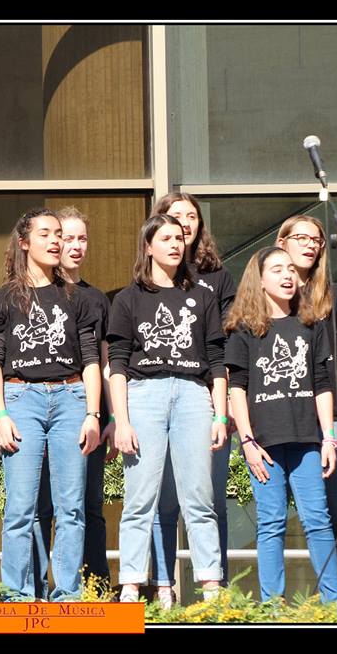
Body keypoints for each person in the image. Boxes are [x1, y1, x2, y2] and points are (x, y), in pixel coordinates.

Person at [0, 207, 102, 601]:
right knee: (20, 507)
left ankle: (67, 594)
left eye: (58, 234)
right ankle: (17, 594)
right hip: (20, 399)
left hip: (71, 398)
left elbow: (91, 360)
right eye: (46, 234)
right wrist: (0, 414)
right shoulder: (3, 298)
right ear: (24, 242)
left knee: (72, 507)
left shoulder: (77, 297)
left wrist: (93, 414)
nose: (56, 241)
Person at [108, 213, 227, 604]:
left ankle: (211, 588)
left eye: (179, 238)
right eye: (166, 238)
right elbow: (117, 363)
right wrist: (121, 420)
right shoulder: (128, 298)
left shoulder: (203, 296)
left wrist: (220, 414)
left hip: (194, 395)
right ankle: (130, 585)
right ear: (148, 246)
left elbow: (216, 359)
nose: (175, 245)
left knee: (199, 497)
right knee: (140, 498)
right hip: (144, 394)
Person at [224, 246, 337, 603]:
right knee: (271, 522)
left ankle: (334, 604)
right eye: (277, 270)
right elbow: (236, 387)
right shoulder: (244, 329)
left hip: (308, 440)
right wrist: (247, 442)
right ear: (259, 280)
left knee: (317, 519)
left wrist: (328, 438)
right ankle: (272, 607)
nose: (288, 275)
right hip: (263, 444)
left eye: (290, 269)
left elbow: (322, 383)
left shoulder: (311, 324)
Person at [148, 192, 237, 608]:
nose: (185, 222)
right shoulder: (149, 278)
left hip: (205, 395)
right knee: (162, 501)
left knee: (210, 500)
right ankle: (162, 588)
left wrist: (223, 404)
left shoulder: (217, 278)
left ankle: (217, 589)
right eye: (175, 216)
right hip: (160, 397)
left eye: (191, 216)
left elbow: (225, 344)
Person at [275, 214, 337, 603]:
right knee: (274, 518)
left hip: (325, 417)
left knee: (332, 511)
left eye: (317, 240)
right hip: (279, 416)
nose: (311, 245)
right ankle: (272, 605)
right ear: (282, 242)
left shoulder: (332, 294)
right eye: (302, 238)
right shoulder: (268, 294)